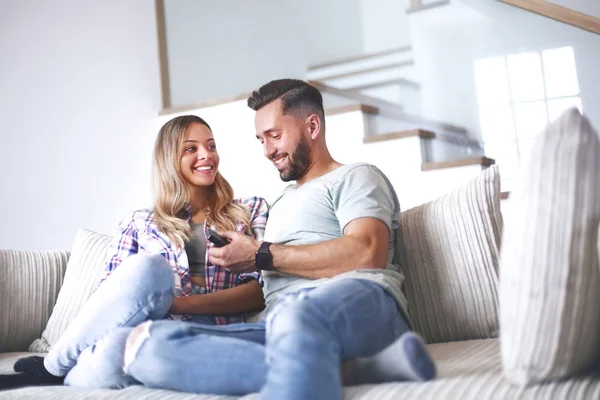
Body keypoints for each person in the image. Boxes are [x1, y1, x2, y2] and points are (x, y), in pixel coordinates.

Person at [116, 79, 437, 399]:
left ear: (312, 126)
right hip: (279, 321)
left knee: (297, 315)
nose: (268, 151)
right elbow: (266, 287)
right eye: (261, 140)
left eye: (275, 135)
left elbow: (367, 252)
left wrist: (261, 254)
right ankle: (359, 369)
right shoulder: (279, 202)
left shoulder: (355, 176)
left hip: (356, 302)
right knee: (148, 346)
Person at [0, 115, 268, 390]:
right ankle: (54, 367)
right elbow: (111, 299)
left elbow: (259, 291)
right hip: (138, 336)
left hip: (199, 339)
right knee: (148, 274)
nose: (206, 155)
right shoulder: (139, 222)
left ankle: (51, 370)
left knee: (121, 348)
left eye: (211, 146)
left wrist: (176, 304)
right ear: (168, 159)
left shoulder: (249, 210)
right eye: (191, 148)